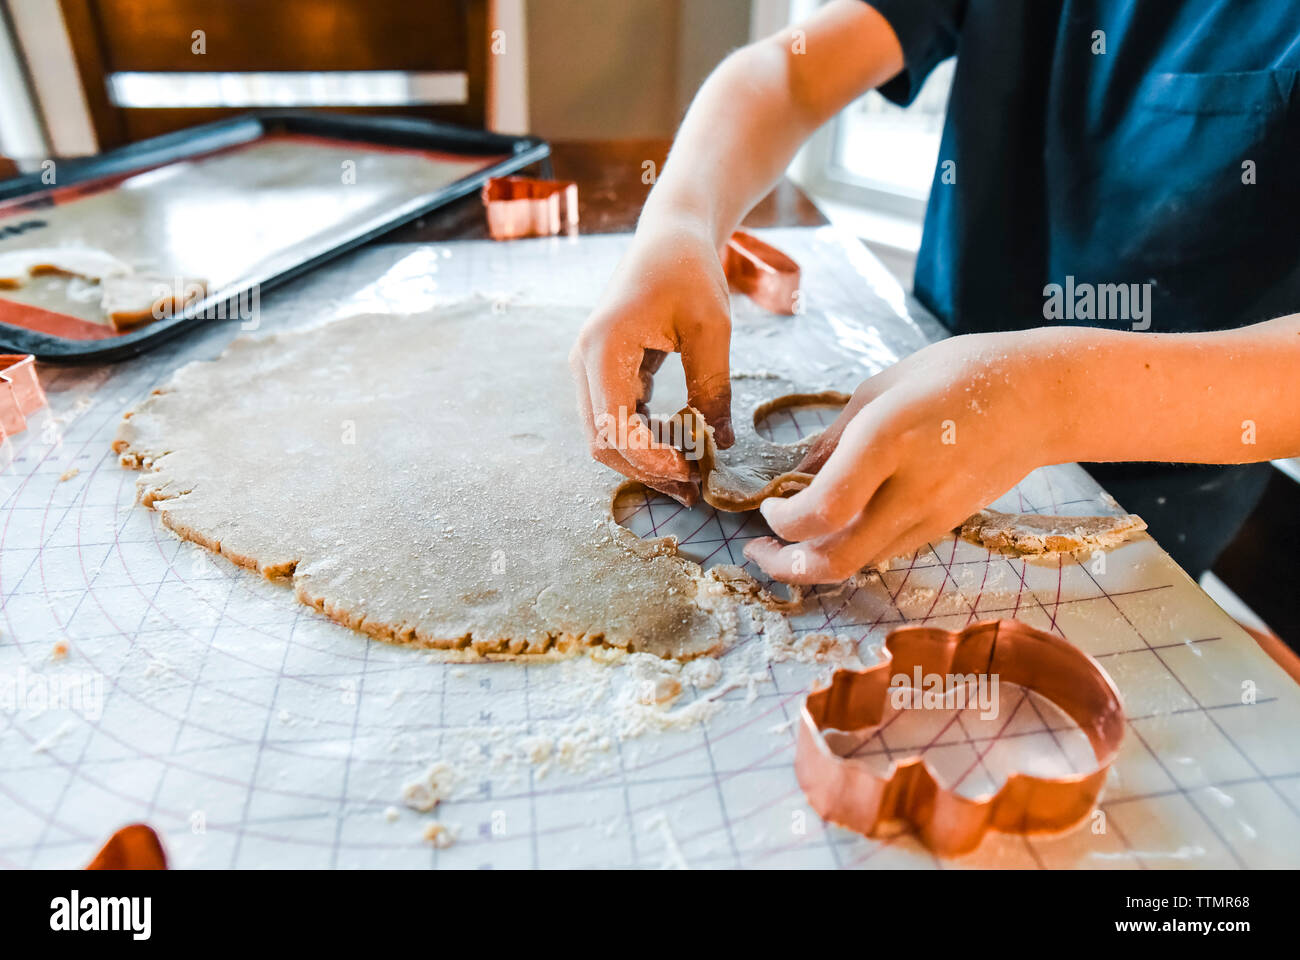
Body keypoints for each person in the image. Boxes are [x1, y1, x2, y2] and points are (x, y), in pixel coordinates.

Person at [570, 0, 1300, 584]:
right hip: (921, 372)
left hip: (1152, 481)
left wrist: (1048, 394)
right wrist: (679, 222)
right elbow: (791, 73)